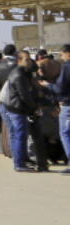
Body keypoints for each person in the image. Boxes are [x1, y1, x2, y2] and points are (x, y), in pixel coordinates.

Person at [1, 53, 46, 172]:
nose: (29, 61)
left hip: (18, 108)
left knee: (21, 135)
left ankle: (22, 160)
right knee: (20, 136)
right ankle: (19, 163)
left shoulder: (23, 72)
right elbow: (24, 95)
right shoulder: (19, 75)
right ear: (19, 60)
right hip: (17, 109)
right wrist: (34, 107)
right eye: (26, 60)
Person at [45, 44, 70, 173]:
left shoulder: (66, 67)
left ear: (68, 54)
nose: (61, 58)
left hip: (67, 105)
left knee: (65, 133)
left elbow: (59, 88)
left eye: (61, 55)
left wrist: (48, 85)